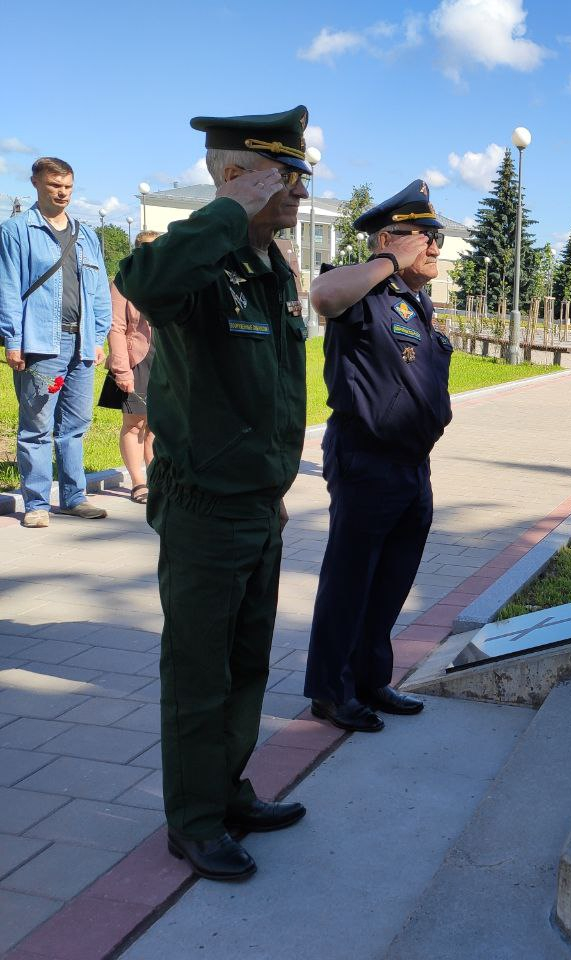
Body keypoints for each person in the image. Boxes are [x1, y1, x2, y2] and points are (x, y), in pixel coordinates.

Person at [114, 106, 314, 882]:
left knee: (246, 667)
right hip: (203, 505)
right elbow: (146, 284)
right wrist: (229, 208)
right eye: (282, 176)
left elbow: (274, 396)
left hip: (257, 503)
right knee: (198, 677)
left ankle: (227, 792)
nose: (297, 190)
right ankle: (192, 822)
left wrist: (275, 485)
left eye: (298, 176)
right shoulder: (196, 263)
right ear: (238, 177)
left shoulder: (270, 270)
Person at [304, 180, 453, 732]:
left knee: (392, 580)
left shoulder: (415, 301)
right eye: (427, 236)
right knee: (349, 580)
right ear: (389, 238)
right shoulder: (362, 292)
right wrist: (387, 260)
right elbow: (322, 297)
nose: (436, 246)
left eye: (437, 236)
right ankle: (330, 690)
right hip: (366, 459)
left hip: (412, 465)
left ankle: (370, 679)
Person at [0, 157, 112, 528]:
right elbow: (9, 289)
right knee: (36, 427)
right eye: (54, 186)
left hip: (81, 343)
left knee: (76, 425)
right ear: (36, 184)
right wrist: (13, 341)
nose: (62, 193)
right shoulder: (17, 230)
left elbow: (98, 293)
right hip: (41, 345)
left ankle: (74, 497)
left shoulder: (86, 234)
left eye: (67, 187)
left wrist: (98, 337)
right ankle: (36, 504)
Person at [107, 230, 160, 502]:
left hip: (163, 360)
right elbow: (115, 326)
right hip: (135, 359)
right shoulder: (123, 281)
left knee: (154, 425)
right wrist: (121, 369)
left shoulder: (166, 279)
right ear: (136, 250)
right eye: (145, 247)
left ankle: (155, 477)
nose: (150, 252)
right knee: (134, 424)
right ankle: (138, 483)